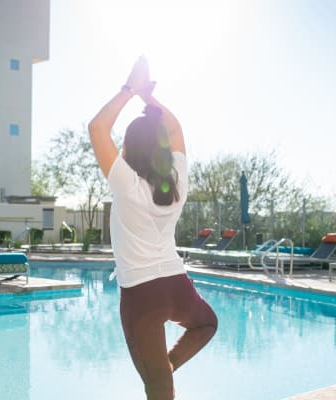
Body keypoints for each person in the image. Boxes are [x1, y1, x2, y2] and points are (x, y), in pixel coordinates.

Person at [88, 57, 218, 400]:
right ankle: (166, 366)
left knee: (159, 388)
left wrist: (130, 89)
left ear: (128, 149)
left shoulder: (126, 184)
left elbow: (97, 129)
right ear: (161, 148)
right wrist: (149, 99)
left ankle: (163, 371)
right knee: (207, 324)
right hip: (177, 285)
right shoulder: (177, 178)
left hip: (141, 296)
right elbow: (175, 130)